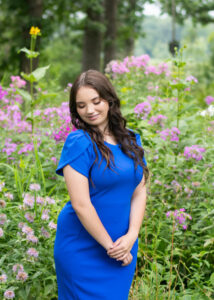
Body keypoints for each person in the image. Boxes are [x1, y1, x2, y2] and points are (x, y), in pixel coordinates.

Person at [54, 69, 149, 300]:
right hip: (83, 249)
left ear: (109, 100)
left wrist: (131, 236)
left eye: (96, 102)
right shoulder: (78, 142)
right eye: (81, 105)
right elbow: (81, 204)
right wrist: (111, 247)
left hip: (124, 245)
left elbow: (139, 190)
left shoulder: (131, 140)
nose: (90, 110)